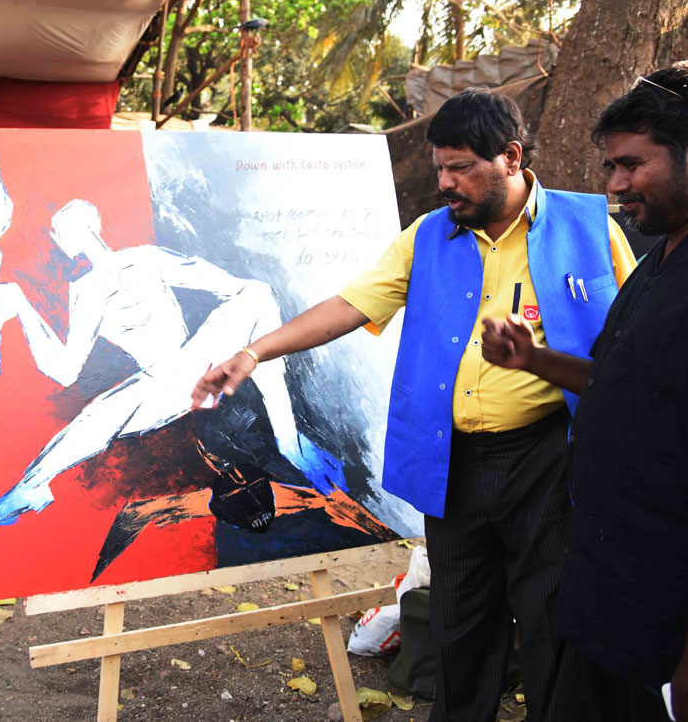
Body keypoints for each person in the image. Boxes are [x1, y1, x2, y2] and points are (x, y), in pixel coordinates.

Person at [193, 88, 636, 721]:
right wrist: (256, 352)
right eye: (439, 170)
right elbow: (348, 307)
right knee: (458, 626)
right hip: (451, 462)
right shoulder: (428, 237)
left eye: (461, 169)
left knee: (551, 622)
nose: (446, 185)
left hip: (549, 458)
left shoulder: (590, 229)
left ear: (510, 158)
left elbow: (629, 341)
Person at [482, 61, 688, 722]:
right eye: (610, 167)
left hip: (677, 632)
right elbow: (625, 386)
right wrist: (534, 359)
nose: (615, 186)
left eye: (631, 165)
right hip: (608, 599)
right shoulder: (660, 259)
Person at [0, 198, 343, 541]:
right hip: (167, 383)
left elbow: (62, 370)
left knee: (257, 295)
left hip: (195, 364)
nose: (58, 240)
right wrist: (20, 306)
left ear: (79, 232)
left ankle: (290, 442)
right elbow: (65, 371)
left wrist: (20, 306)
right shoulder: (121, 271)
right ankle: (31, 485)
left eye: (60, 232)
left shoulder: (116, 275)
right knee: (102, 413)